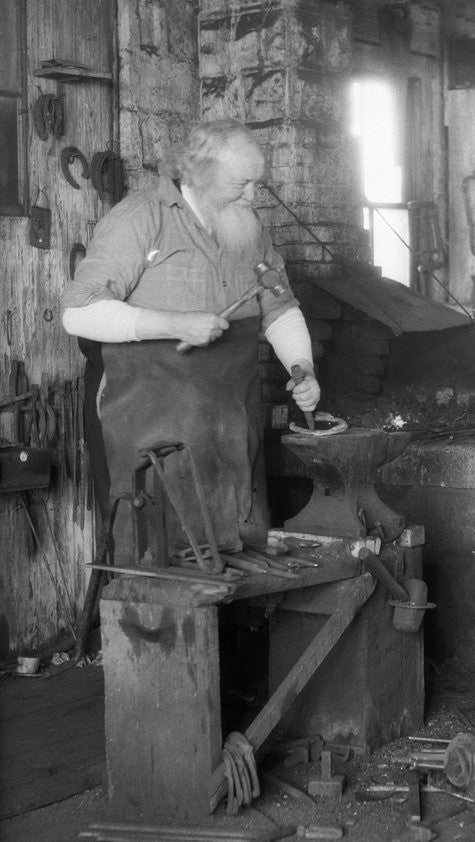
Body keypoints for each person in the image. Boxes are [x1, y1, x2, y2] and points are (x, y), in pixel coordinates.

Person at [61, 119, 319, 558]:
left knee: (240, 552)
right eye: (242, 183)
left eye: (258, 184)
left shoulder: (247, 229)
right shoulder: (139, 219)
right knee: (155, 554)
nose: (253, 197)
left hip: (230, 423)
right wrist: (174, 324)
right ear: (200, 172)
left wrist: (302, 367)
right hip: (152, 424)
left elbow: (280, 308)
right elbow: (77, 311)